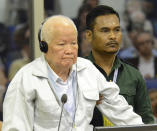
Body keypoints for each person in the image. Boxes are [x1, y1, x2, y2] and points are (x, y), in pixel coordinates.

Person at [2, 15, 143, 131]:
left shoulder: (88, 69)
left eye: (73, 43)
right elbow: (16, 127)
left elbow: (120, 110)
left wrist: (143, 129)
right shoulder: (26, 78)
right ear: (44, 46)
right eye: (62, 44)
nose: (69, 50)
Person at [85, 5, 154, 126]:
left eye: (117, 30)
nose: (113, 36)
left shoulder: (133, 75)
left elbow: (147, 123)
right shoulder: (77, 71)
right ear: (89, 35)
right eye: (105, 30)